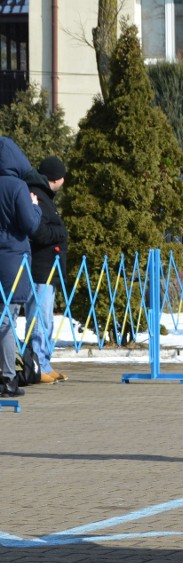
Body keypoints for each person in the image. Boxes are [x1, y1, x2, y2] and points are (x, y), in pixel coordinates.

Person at [0, 137, 42, 398]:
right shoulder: (17, 187)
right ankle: (7, 378)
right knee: (7, 320)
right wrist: (36, 208)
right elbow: (30, 226)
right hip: (13, 259)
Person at [24, 156, 69, 384]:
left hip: (49, 269)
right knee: (39, 319)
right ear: (57, 178)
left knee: (46, 320)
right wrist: (60, 234)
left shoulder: (43, 196)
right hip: (41, 268)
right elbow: (39, 231)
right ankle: (37, 364)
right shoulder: (37, 196)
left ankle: (45, 362)